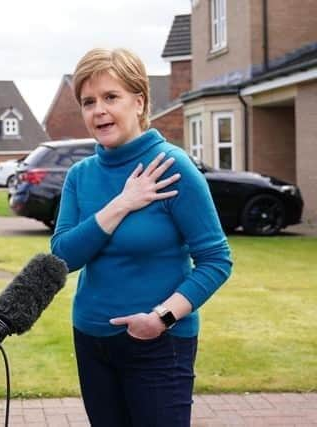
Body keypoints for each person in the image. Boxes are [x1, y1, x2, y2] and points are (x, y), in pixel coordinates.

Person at [50, 47, 233, 427]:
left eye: (110, 97)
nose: (98, 109)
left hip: (158, 344)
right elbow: (63, 257)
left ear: (139, 101)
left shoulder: (172, 167)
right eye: (88, 101)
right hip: (91, 339)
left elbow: (217, 260)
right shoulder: (80, 175)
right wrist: (121, 204)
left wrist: (161, 318)